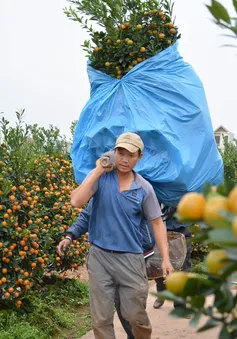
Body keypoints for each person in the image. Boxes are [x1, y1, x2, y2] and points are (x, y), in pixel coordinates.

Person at [66, 132, 173, 339]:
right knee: (101, 319)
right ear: (113, 152)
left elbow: (157, 223)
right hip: (100, 257)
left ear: (139, 157)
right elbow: (76, 202)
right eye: (120, 152)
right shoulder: (101, 179)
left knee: (135, 316)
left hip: (130, 259)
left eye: (130, 155)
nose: (124, 159)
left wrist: (166, 259)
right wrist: (98, 169)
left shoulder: (144, 188)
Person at [58, 198, 155, 339]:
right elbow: (87, 215)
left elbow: (155, 219)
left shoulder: (140, 187)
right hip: (102, 257)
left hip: (132, 257)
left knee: (133, 313)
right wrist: (70, 235)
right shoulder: (101, 189)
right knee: (102, 317)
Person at [153, 206, 192, 310]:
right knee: (158, 263)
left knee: (183, 266)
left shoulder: (185, 189)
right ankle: (162, 293)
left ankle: (180, 304)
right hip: (160, 228)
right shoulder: (155, 189)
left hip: (181, 228)